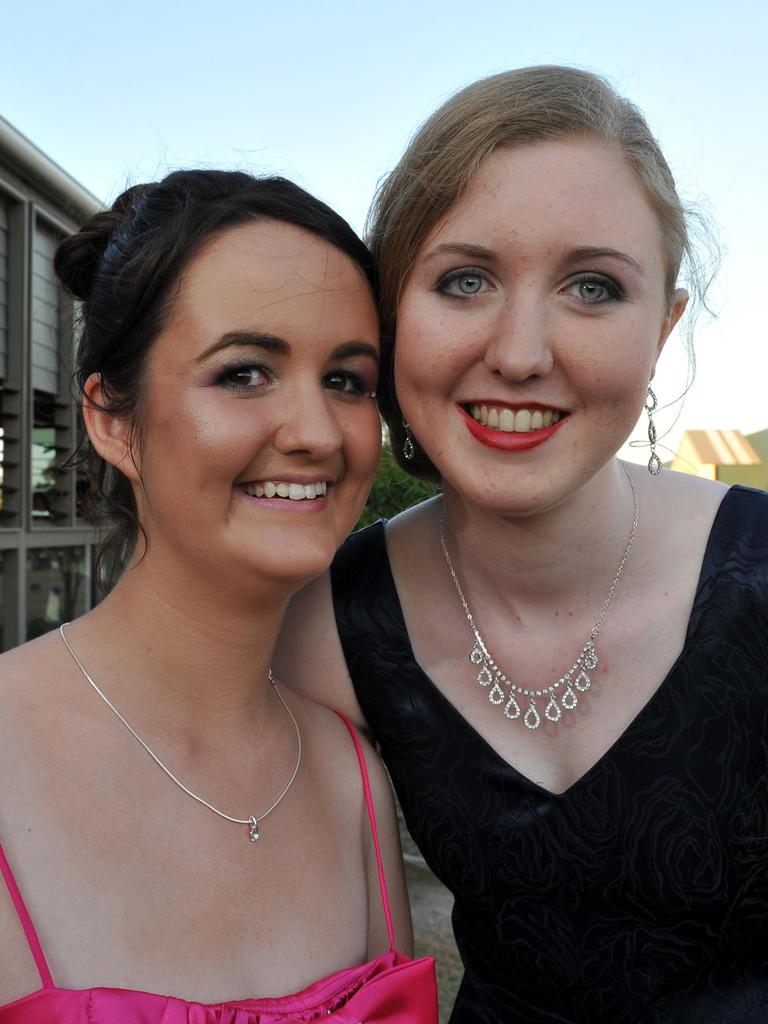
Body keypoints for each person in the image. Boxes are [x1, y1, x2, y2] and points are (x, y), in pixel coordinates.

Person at [276, 66, 768, 1022]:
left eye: (593, 287)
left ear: (663, 330)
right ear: (389, 312)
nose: (520, 351)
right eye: (465, 280)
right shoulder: (330, 628)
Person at [0, 170, 437, 1021]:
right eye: (243, 373)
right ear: (112, 420)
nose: (315, 433)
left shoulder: (354, 781)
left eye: (348, 380)